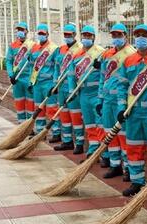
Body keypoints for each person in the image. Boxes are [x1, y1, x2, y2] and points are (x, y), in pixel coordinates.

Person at [116, 24, 147, 198]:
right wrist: (121, 107)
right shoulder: (128, 60)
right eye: (137, 35)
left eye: (144, 35)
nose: (140, 38)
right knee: (134, 148)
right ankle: (136, 181)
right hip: (133, 112)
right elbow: (122, 85)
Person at [96, 23, 136, 179]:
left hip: (122, 100)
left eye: (119, 35)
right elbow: (102, 77)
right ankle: (114, 164)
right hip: (107, 100)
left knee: (123, 134)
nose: (116, 38)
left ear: (125, 35)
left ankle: (127, 167)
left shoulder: (131, 53)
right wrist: (100, 99)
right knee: (109, 132)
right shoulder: (107, 54)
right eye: (114, 35)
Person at [67, 25, 107, 161]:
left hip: (96, 93)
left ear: (94, 37)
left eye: (89, 36)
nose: (86, 38)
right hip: (83, 93)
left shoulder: (101, 52)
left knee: (100, 124)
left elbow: (108, 71)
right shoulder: (76, 55)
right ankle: (92, 150)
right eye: (84, 35)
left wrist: (100, 65)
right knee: (89, 124)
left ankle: (104, 153)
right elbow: (71, 75)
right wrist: (72, 91)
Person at [53, 24, 84, 153]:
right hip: (61, 87)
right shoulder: (60, 50)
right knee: (64, 115)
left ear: (74, 35)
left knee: (75, 116)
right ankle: (67, 141)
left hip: (74, 88)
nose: (67, 37)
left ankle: (79, 143)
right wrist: (55, 84)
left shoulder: (81, 49)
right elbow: (56, 68)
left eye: (69, 35)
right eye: (65, 35)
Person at [6, 22, 35, 125]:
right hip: (17, 79)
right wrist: (11, 75)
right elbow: (8, 61)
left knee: (30, 104)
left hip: (28, 78)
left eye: (22, 30)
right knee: (19, 102)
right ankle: (21, 125)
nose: (20, 32)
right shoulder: (12, 46)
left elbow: (35, 62)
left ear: (26, 31)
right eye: (18, 30)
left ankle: (29, 126)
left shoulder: (32, 45)